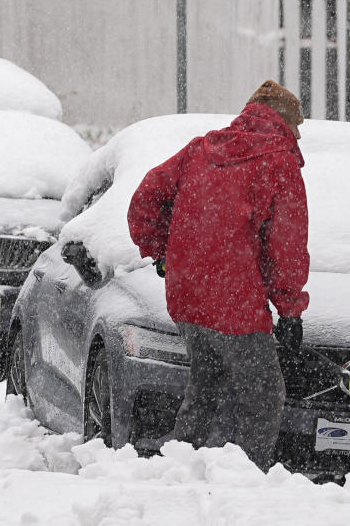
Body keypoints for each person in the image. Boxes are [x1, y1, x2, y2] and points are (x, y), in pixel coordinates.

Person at [126, 80, 310, 469]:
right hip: (235, 303)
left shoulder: (200, 150)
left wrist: (163, 253)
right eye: (298, 125)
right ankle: (245, 478)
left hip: (188, 296)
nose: (299, 133)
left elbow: (144, 201)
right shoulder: (279, 162)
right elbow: (286, 247)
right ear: (284, 122)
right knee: (263, 396)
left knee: (206, 385)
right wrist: (290, 311)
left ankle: (180, 463)